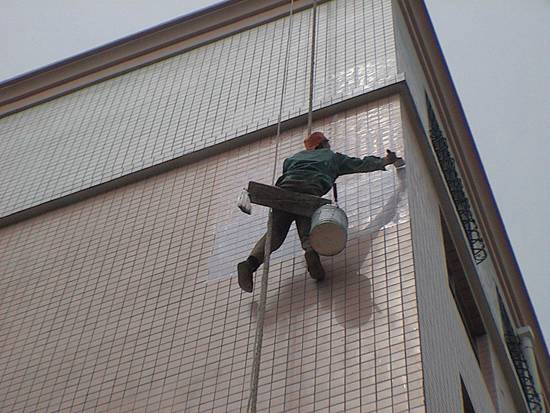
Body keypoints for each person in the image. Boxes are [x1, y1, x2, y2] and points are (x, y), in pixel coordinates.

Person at [237, 131, 400, 292]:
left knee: (275, 234)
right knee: (308, 231)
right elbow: (359, 164)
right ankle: (310, 254)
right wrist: (385, 161)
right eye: (327, 144)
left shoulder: (292, 158)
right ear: (321, 145)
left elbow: (287, 172)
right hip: (309, 192)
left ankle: (250, 263)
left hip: (283, 192)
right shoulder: (332, 157)